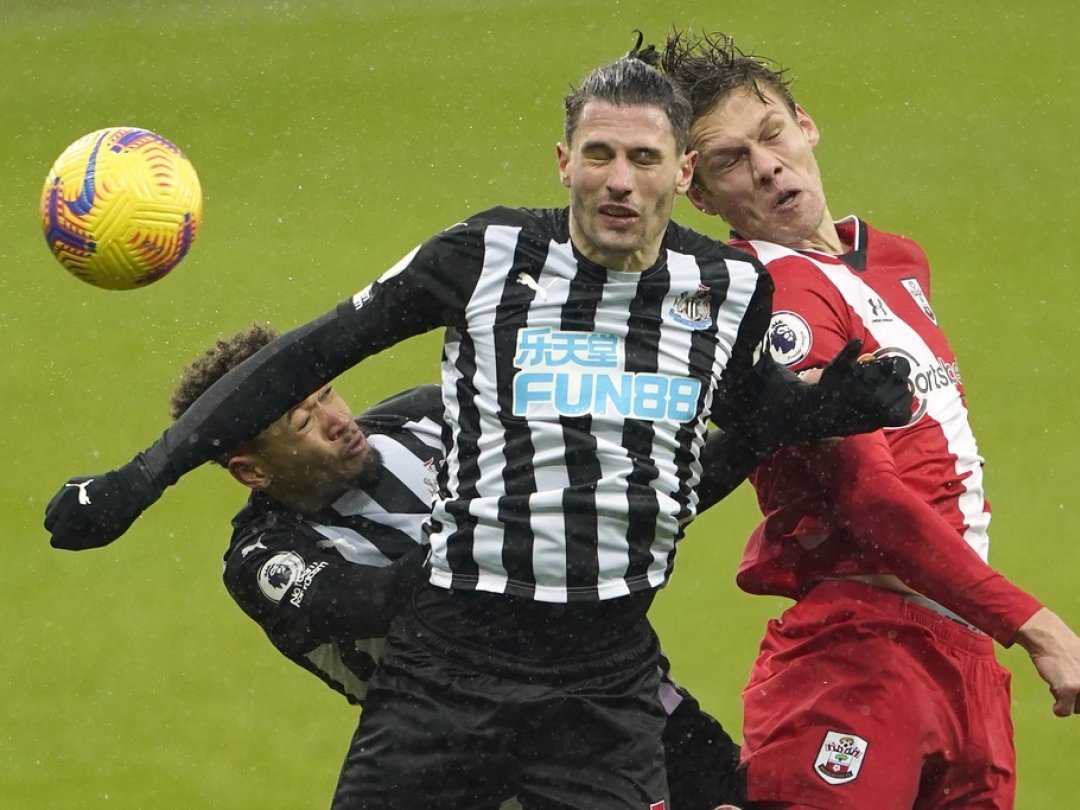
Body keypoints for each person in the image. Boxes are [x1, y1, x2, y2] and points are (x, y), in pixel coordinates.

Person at [45, 45, 912, 808]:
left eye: (642, 157)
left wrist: (826, 407)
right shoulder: (483, 256)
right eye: (599, 154)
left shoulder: (724, 288)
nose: (619, 179)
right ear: (563, 161)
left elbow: (730, 419)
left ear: (681, 173)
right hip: (449, 665)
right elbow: (303, 356)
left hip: (606, 681)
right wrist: (140, 479)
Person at [662, 31, 1080, 810]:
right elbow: (868, 502)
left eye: (771, 134)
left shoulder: (892, 261)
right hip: (862, 655)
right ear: (700, 194)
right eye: (728, 159)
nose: (765, 164)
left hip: (959, 656)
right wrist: (1037, 626)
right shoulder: (776, 296)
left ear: (806, 124)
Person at [174, 323, 744, 809]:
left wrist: (766, 426)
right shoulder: (265, 560)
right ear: (251, 471)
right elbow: (398, 599)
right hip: (479, 765)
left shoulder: (425, 416)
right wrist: (540, 511)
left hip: (623, 701)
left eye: (327, 392)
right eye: (303, 421)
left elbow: (633, 496)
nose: (337, 420)